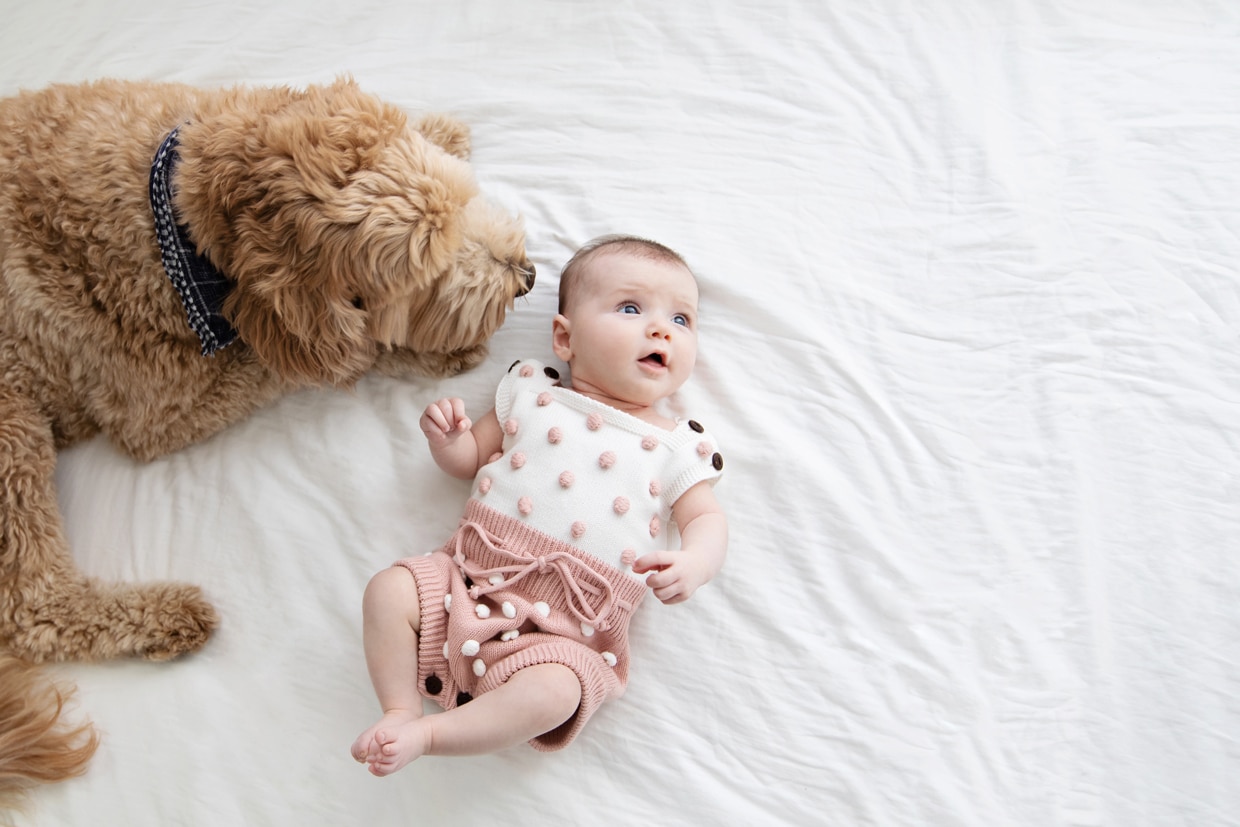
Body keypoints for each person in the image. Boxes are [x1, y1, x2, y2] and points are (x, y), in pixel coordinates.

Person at [350, 234, 728, 776]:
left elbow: (706, 520)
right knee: (390, 590)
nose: (660, 328)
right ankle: (399, 710)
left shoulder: (677, 447)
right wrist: (449, 441)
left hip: (570, 630)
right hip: (469, 579)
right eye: (630, 307)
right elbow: (471, 458)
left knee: (557, 692)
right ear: (564, 338)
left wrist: (697, 561)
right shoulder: (532, 392)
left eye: (682, 319)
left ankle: (430, 734)